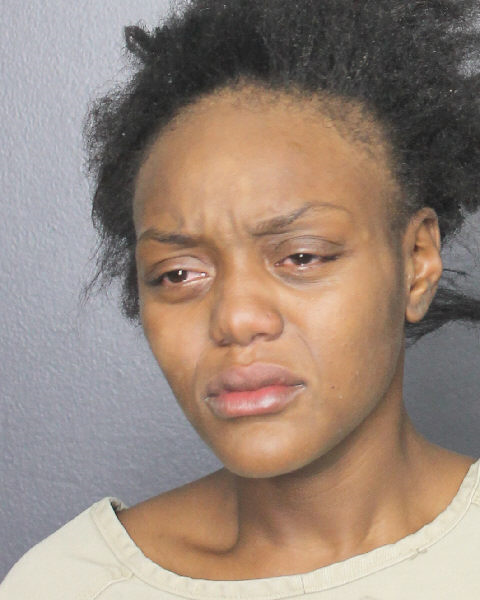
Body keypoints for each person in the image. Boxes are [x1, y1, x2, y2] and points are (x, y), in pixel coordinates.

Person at [1, 0, 480, 598]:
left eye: (300, 257)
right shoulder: (68, 584)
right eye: (178, 274)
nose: (235, 319)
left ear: (416, 263)